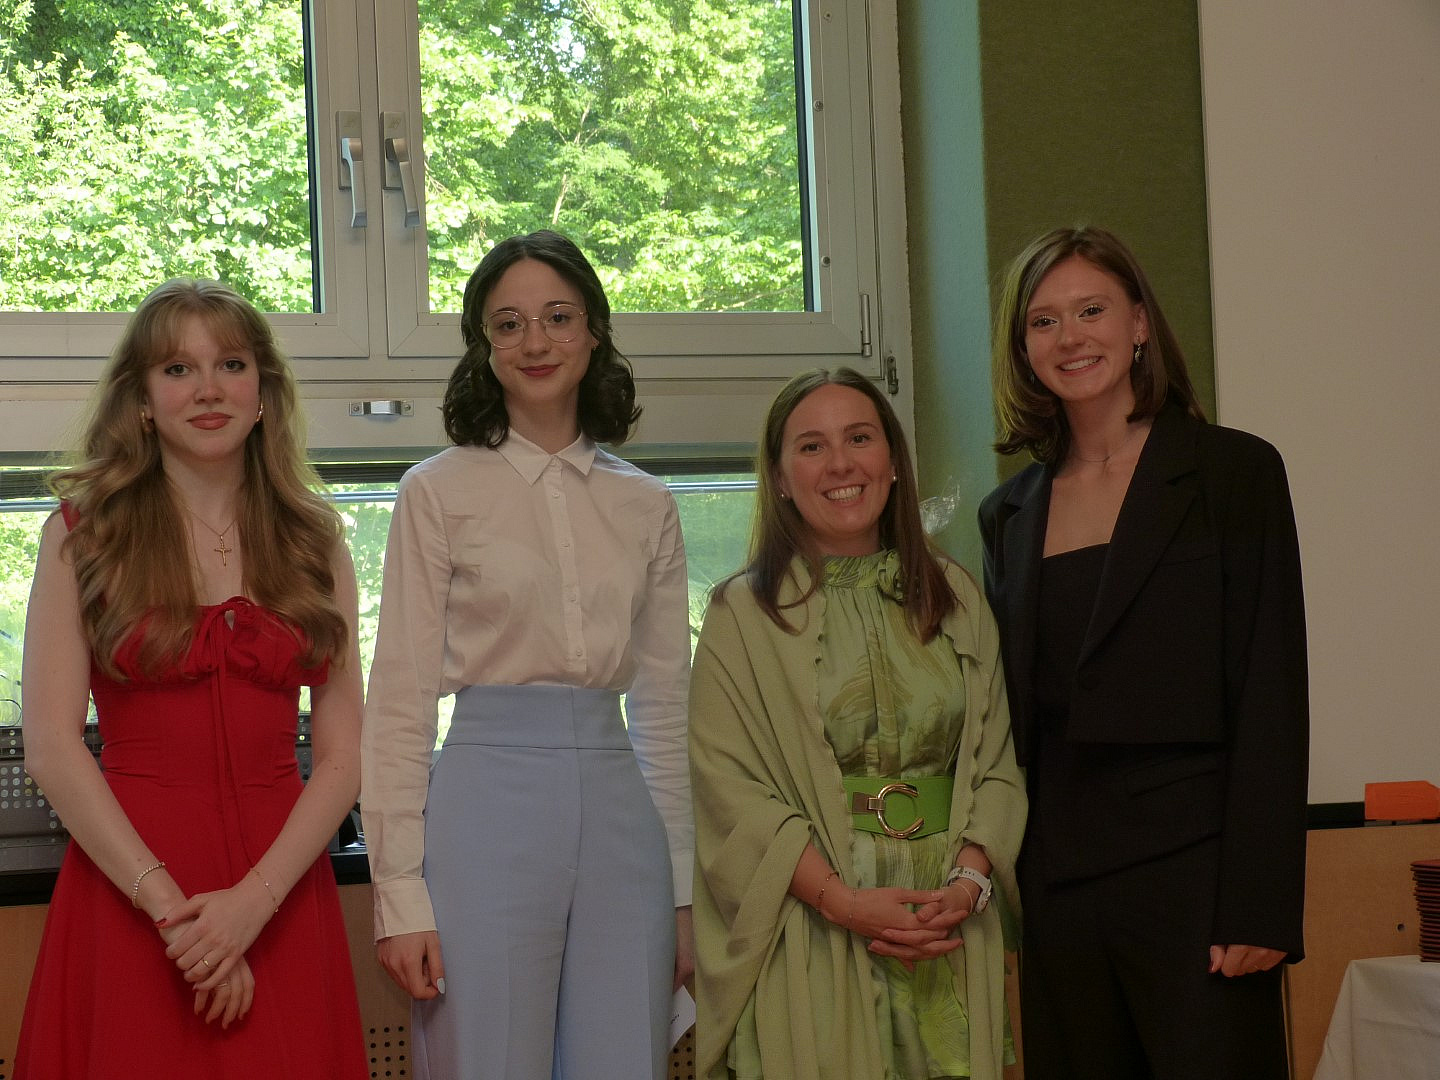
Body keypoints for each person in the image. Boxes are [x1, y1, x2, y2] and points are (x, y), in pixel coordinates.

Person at [361, 230, 694, 1079]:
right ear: (483, 345)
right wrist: (399, 893)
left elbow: (663, 709)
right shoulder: (436, 491)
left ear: (594, 331)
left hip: (623, 814)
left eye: (557, 317)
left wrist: (683, 891)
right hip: (483, 805)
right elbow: (399, 705)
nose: (535, 341)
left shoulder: (646, 503)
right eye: (508, 324)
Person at [979, 226, 1309, 1079]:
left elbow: (1271, 692)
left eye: (1090, 310)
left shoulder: (1234, 473)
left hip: (1199, 884)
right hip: (1059, 889)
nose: (1070, 337)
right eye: (1043, 321)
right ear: (1023, 350)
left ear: (1137, 325)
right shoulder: (1007, 513)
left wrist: (1262, 904)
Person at [15, 279, 367, 1076]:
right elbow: (52, 748)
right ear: (141, 400)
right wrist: (179, 920)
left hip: (281, 892)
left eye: (231, 365)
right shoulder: (80, 537)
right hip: (132, 891)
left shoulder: (316, 542)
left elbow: (345, 757)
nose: (208, 389)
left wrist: (251, 905)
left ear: (263, 392)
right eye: (177, 369)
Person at [690, 367, 1026, 1080]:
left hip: (947, 928)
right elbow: (731, 794)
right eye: (811, 447)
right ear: (779, 478)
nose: (841, 463)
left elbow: (998, 764)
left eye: (860, 438)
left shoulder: (957, 596)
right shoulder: (740, 616)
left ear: (893, 460)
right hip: (812, 927)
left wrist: (966, 887)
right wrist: (844, 902)